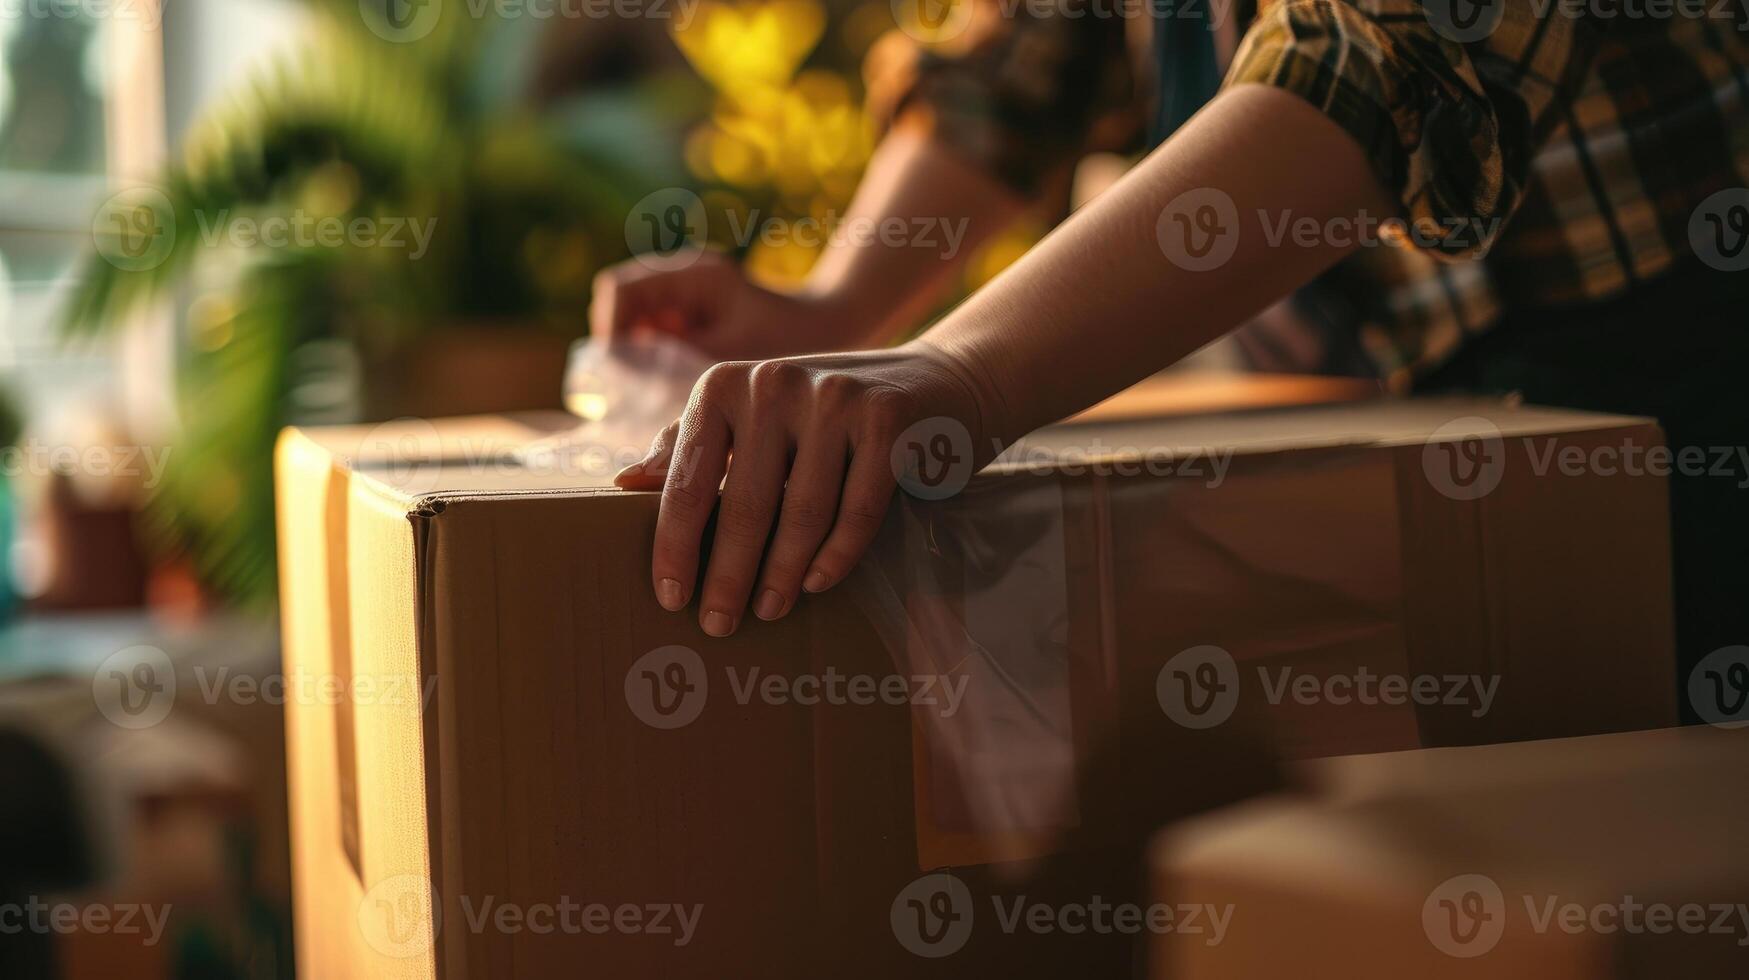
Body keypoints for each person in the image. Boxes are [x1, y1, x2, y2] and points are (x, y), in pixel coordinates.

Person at [590, 0, 1748, 721]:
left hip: (1675, 356)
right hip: (1393, 395)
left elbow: (1385, 56)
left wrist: (965, 372)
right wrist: (832, 303)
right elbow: (1036, 50)